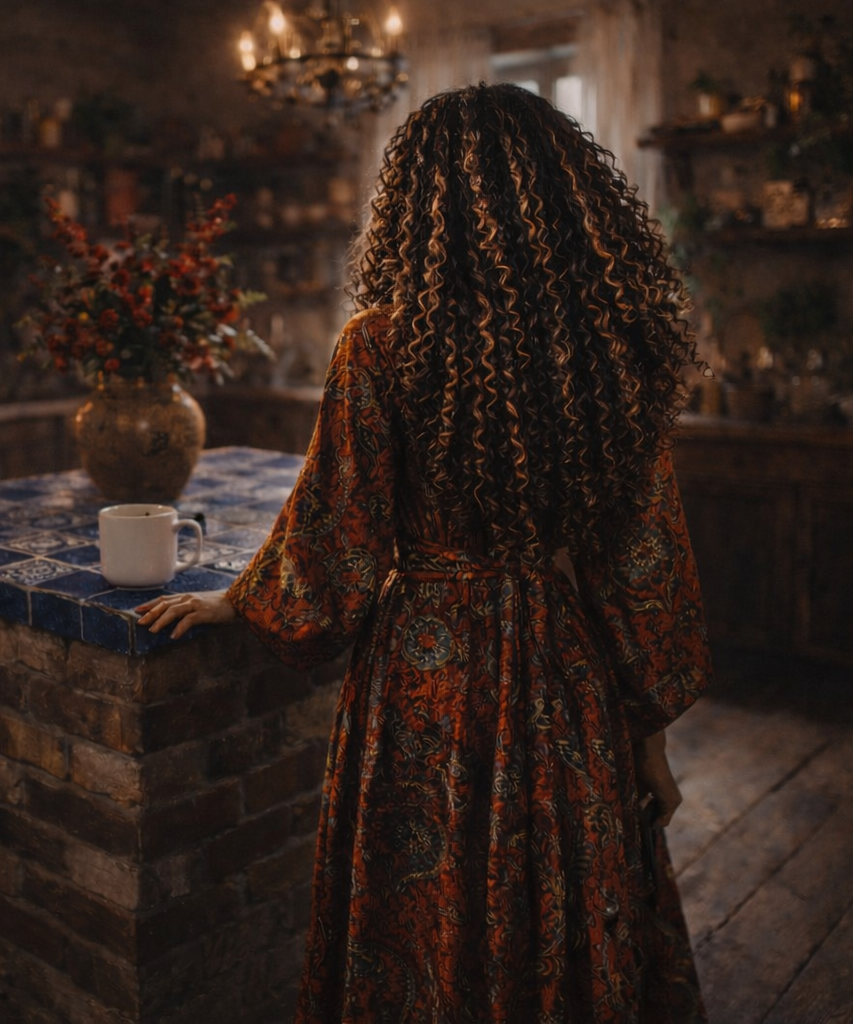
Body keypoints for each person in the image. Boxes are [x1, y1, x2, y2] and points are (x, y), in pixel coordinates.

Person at [137, 83, 710, 1023]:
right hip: (568, 674)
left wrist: (237, 599)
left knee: (423, 907)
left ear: (417, 202)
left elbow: (339, 529)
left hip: (425, 675)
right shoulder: (610, 346)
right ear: (568, 194)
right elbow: (643, 567)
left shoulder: (381, 344)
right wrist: (649, 747)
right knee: (564, 894)